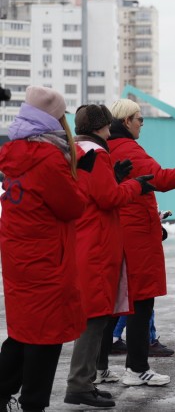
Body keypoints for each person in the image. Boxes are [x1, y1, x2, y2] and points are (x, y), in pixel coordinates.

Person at [0, 86, 90, 412]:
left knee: (25, 330)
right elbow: (71, 207)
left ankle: (3, 391)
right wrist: (77, 178)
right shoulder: (49, 157)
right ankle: (33, 403)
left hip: (19, 253)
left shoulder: (15, 152)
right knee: (47, 335)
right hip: (47, 256)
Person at [62, 104, 156, 408]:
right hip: (98, 246)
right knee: (95, 317)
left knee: (94, 315)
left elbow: (87, 192)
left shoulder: (74, 151)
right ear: (103, 126)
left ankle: (87, 379)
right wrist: (133, 186)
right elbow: (108, 199)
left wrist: (113, 178)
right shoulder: (97, 153)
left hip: (81, 241)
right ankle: (79, 384)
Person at [107, 98, 175, 386]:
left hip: (120, 232)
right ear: (126, 121)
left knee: (111, 304)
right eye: (139, 119)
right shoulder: (127, 148)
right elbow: (160, 178)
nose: (142, 124)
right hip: (135, 236)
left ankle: (97, 369)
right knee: (140, 301)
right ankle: (136, 369)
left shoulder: (106, 148)